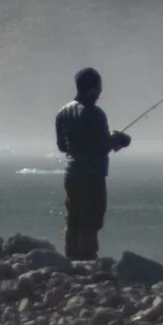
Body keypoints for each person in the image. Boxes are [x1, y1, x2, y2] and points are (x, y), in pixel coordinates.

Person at [54, 67, 130, 262]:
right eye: (99, 87)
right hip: (92, 174)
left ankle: (71, 257)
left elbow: (62, 146)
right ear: (92, 89)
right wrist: (120, 139)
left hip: (71, 173)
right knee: (92, 217)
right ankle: (88, 258)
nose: (100, 91)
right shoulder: (95, 113)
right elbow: (102, 144)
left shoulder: (62, 113)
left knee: (73, 216)